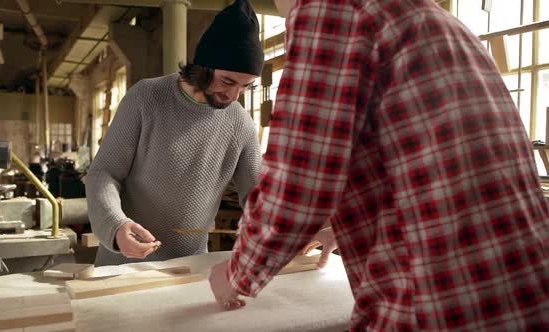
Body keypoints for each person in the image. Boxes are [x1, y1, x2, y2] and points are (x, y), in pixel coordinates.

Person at [209, 0, 549, 330]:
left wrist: (237, 273)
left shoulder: (335, 10)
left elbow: (297, 185)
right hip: (524, 291)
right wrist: (334, 225)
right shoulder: (436, 19)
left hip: (439, 303)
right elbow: (419, 166)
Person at [86, 0, 264, 266]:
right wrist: (115, 225)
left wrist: (293, 229)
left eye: (246, 87)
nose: (233, 95)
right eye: (227, 81)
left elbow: (258, 194)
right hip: (124, 263)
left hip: (190, 268)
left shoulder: (241, 123)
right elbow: (103, 173)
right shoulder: (146, 97)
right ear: (205, 65)